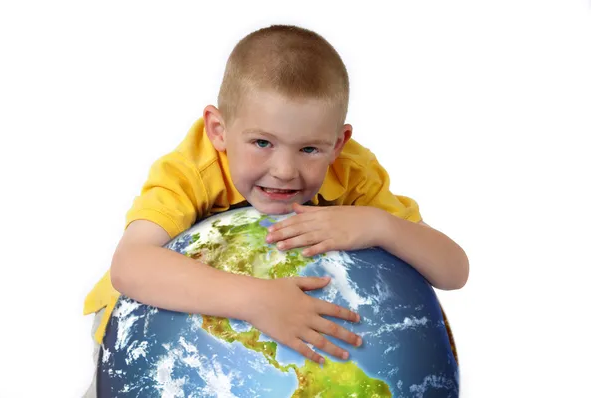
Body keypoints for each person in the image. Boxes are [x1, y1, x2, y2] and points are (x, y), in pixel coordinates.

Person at [82, 24, 469, 396]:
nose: (284, 171)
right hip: (140, 333)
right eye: (262, 143)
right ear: (218, 129)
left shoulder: (352, 172)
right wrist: (256, 301)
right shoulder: (190, 171)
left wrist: (381, 225)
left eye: (309, 149)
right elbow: (130, 265)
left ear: (338, 143)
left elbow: (454, 270)